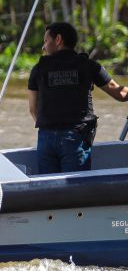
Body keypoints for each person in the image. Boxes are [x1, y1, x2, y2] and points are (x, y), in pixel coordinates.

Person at [28, 22, 128, 174]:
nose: (43, 46)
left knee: (48, 190)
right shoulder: (89, 66)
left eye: (46, 41)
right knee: (75, 189)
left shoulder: (38, 69)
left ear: (58, 40)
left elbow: (33, 108)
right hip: (75, 139)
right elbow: (121, 94)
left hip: (46, 138)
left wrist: (50, 129)